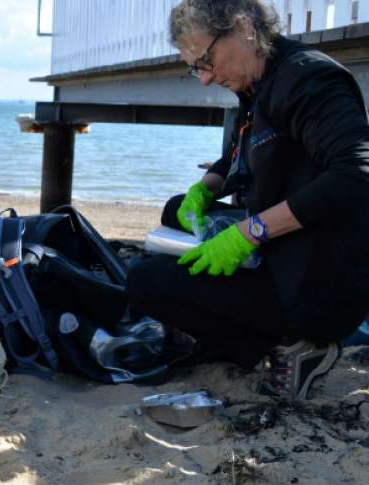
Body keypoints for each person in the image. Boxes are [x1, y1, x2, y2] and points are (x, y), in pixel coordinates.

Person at [127, 0, 369, 400]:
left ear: (242, 26)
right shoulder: (259, 80)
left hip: (320, 281)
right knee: (175, 210)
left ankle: (298, 345)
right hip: (287, 245)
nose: (204, 79)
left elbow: (357, 172)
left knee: (146, 280)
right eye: (195, 68)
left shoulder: (311, 80)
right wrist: (206, 187)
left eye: (206, 60)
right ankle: (238, 332)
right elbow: (246, 150)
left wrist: (250, 232)